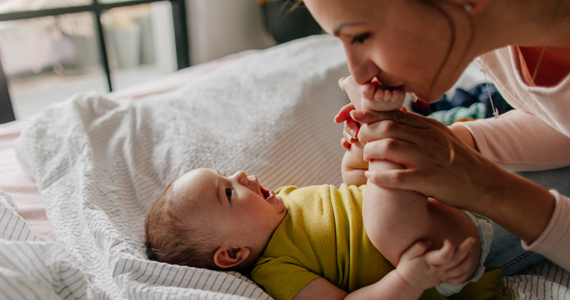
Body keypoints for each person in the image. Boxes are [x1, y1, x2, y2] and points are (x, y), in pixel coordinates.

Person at [301, 0, 570, 272]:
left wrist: (488, 188)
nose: (357, 72)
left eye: (361, 36)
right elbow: (558, 118)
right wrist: (454, 144)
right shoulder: (496, 32)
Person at [144, 117, 498, 299]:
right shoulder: (276, 270)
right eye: (228, 193)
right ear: (233, 252)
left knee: (361, 165)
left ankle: (377, 132)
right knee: (384, 196)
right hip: (441, 256)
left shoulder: (285, 198)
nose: (239, 175)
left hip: (443, 204)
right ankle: (387, 125)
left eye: (226, 174)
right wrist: (408, 279)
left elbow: (351, 193)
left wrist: (355, 151)